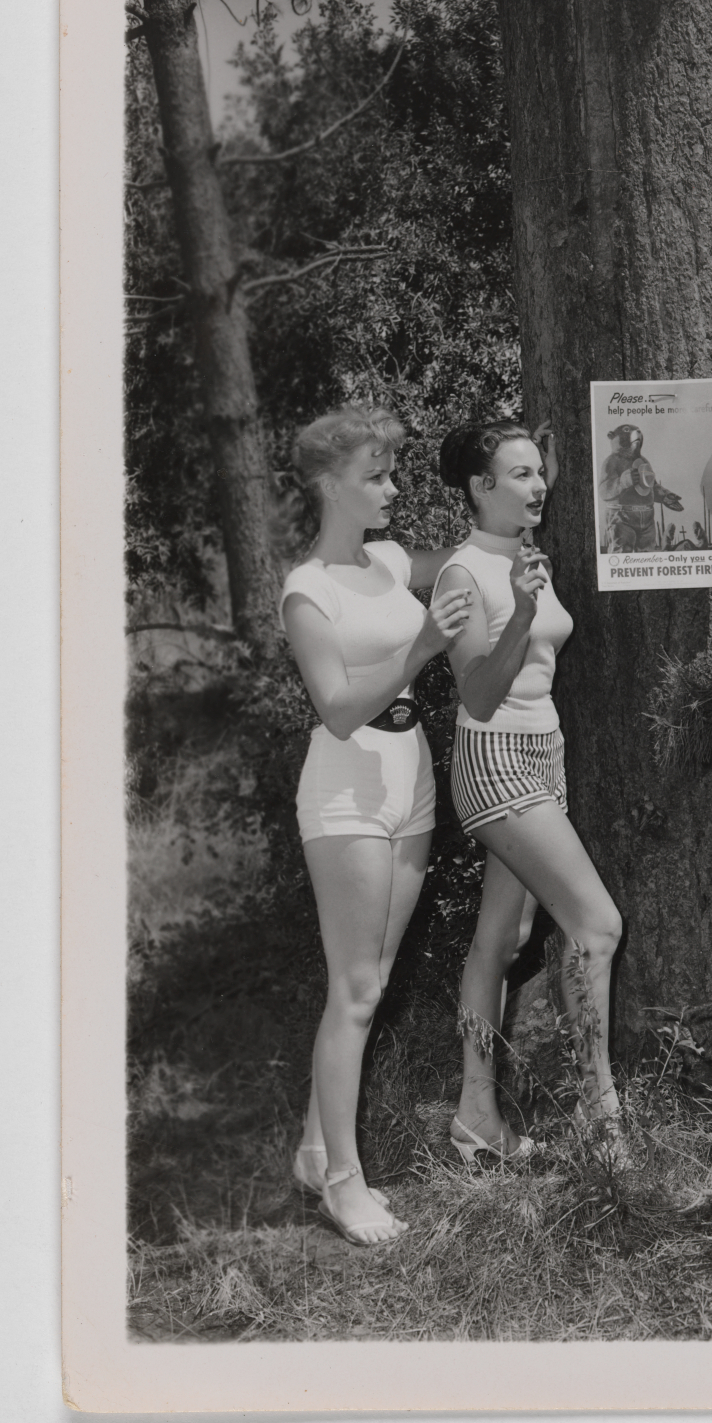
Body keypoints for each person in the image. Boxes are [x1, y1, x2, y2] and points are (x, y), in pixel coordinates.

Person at [281, 404, 473, 1246]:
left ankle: (314, 1147)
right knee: (355, 991)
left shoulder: (391, 561)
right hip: (347, 792)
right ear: (331, 484)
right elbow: (337, 708)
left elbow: (465, 561)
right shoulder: (307, 591)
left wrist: (517, 493)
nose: (393, 487)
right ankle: (344, 1184)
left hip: (410, 777)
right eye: (376, 475)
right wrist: (422, 647)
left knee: (375, 977)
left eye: (392, 470)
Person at [434, 420, 624, 1161]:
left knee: (502, 940)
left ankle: (475, 1112)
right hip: (496, 758)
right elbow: (479, 696)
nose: (539, 485)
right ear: (479, 488)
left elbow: (527, 508)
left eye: (540, 471)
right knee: (596, 926)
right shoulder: (463, 575)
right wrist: (517, 610)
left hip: (544, 754)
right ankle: (601, 1123)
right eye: (520, 474)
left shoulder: (520, 551)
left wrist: (540, 462)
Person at [599, 424, 684, 552]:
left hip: (647, 519)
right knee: (622, 552)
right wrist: (623, 482)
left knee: (648, 553)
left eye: (637, 431)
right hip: (622, 518)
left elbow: (651, 486)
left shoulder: (643, 461)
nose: (637, 432)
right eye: (627, 430)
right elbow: (603, 491)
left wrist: (665, 496)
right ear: (613, 437)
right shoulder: (612, 461)